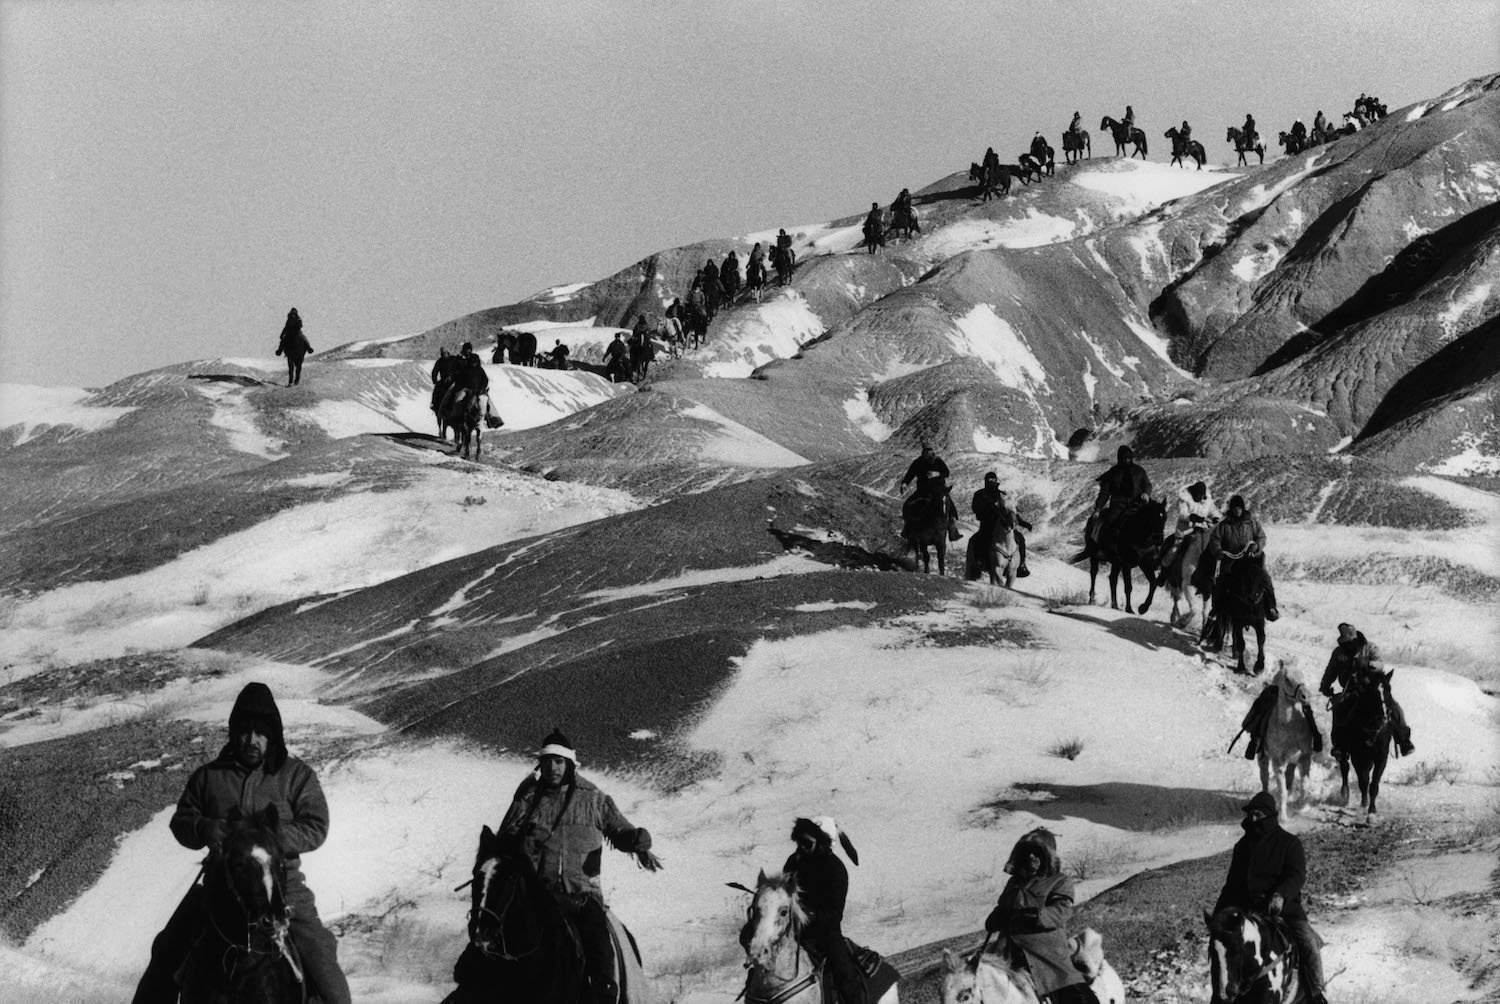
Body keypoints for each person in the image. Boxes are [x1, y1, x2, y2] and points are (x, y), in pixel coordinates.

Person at [132, 683, 350, 1004]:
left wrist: (270, 840)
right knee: (167, 948)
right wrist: (204, 828)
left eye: (260, 733)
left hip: (281, 887)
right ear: (234, 734)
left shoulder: (296, 776)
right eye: (245, 732)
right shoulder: (210, 777)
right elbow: (182, 822)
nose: (252, 740)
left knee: (321, 956)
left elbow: (316, 826)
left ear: (272, 736)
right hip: (220, 888)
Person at [467, 730, 659, 1004]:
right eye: (547, 762)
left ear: (570, 764)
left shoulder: (594, 799)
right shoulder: (528, 799)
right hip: (537, 894)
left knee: (601, 955)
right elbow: (505, 841)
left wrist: (636, 840)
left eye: (558, 762)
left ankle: (604, 996)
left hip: (582, 895)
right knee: (487, 946)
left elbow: (620, 829)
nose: (552, 768)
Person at [1213, 792, 1327, 1004]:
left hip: (1283, 911)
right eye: (1251, 814)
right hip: (1248, 912)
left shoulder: (1289, 843)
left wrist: (1281, 894)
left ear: (1269, 816)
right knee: (1222, 946)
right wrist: (1219, 915)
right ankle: (1220, 995)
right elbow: (1232, 884)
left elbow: (1296, 875)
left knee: (1308, 942)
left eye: (1258, 814)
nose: (1253, 819)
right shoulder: (1242, 847)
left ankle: (1316, 994)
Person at [983, 828, 1099, 1004]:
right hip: (1009, 954)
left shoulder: (1059, 881)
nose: (1031, 856)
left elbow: (1062, 911)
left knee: (1080, 999)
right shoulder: (1013, 883)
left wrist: (1038, 916)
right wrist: (995, 918)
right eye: (1026, 852)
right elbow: (1003, 907)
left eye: (1036, 852)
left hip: (1046, 956)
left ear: (1047, 856)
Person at [757, 817, 865, 1004]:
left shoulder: (836, 869)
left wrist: (808, 917)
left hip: (825, 933)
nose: (801, 847)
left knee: (844, 971)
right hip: (793, 931)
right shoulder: (793, 861)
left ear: (822, 842)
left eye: (807, 843)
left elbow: (835, 914)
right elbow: (785, 894)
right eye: (799, 842)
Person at [1319, 623, 1415, 756]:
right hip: (1351, 690)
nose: (1347, 645)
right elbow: (1331, 670)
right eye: (1344, 642)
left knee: (1393, 706)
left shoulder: (1370, 647)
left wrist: (1368, 664)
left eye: (1349, 642)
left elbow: (1380, 664)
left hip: (1371, 688)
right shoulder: (1338, 652)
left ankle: (1404, 740)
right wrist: (1325, 685)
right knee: (1339, 709)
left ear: (1355, 638)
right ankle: (1340, 745)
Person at [1205, 494, 1278, 620]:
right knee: (1220, 582)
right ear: (1231, 510)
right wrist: (1218, 551)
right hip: (1231, 561)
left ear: (1243, 509)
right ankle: (1216, 608)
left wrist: (1256, 546)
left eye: (1239, 508)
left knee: (1265, 579)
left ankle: (1270, 607)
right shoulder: (1224, 525)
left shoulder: (1251, 523)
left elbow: (1261, 537)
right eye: (1234, 509)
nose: (1237, 511)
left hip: (1250, 559)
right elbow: (1214, 540)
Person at [1089, 445, 1152, 550]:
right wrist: (1098, 508)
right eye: (1124, 459)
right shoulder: (1113, 473)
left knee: (1149, 522)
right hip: (1118, 505)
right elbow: (1105, 493)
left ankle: (1150, 549)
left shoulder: (1139, 471)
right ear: (1119, 459)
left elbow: (1147, 484)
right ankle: (1105, 549)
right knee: (1110, 523)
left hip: (1136, 504)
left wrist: (1146, 493)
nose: (1127, 461)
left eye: (1129, 458)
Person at [1156, 481, 1220, 583]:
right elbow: (1182, 514)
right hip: (1185, 530)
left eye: (1201, 495)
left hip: (1203, 529)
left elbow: (1213, 510)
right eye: (1198, 495)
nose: (1199, 497)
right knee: (1174, 549)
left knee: (1213, 548)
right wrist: (1191, 517)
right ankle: (1164, 572)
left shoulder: (1206, 499)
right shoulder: (1184, 499)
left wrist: (1215, 517)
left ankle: (1213, 575)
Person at [972, 471, 1033, 577]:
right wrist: (988, 507)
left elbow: (1011, 511)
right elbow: (975, 508)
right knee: (977, 539)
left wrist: (1023, 523)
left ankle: (1021, 565)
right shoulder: (979, 494)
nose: (991, 482)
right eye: (989, 480)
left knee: (1020, 538)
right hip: (987, 524)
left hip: (1003, 526)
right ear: (985, 481)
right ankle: (978, 563)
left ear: (996, 480)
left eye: (993, 479)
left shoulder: (1002, 495)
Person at [900, 443, 961, 541]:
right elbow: (910, 474)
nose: (928, 452)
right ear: (923, 451)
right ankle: (907, 528)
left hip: (939, 490)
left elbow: (946, 472)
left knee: (949, 506)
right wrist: (905, 483)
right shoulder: (918, 462)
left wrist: (937, 474)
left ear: (932, 451)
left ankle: (953, 530)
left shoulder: (938, 461)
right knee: (908, 504)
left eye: (929, 450)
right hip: (923, 490)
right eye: (926, 450)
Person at [275, 307, 313, 386]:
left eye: (293, 314)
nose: (292, 315)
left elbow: (300, 326)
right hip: (290, 333)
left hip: (297, 332)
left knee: (303, 338)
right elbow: (285, 328)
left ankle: (308, 347)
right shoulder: (289, 320)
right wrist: (282, 334)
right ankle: (279, 350)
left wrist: (295, 326)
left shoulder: (298, 319)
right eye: (292, 314)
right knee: (284, 340)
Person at [431, 346, 460, 411]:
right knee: (437, 389)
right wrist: (435, 381)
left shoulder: (454, 359)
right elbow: (435, 371)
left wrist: (453, 374)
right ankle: (434, 404)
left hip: (454, 379)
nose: (444, 354)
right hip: (443, 380)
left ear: (448, 353)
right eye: (442, 353)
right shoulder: (439, 361)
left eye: (445, 353)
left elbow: (459, 368)